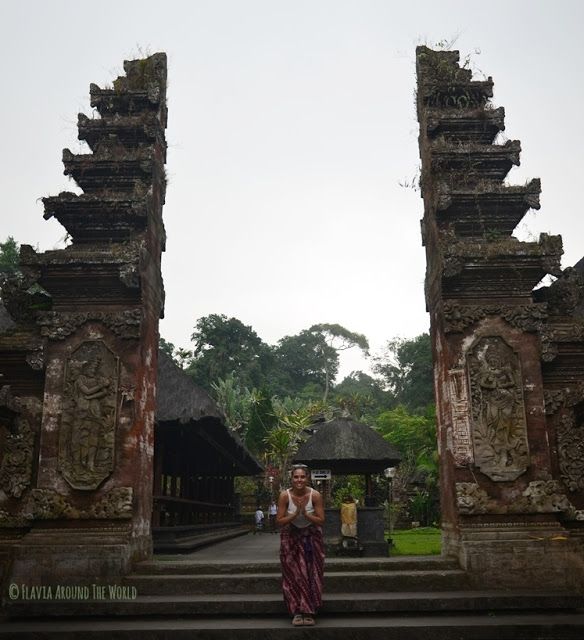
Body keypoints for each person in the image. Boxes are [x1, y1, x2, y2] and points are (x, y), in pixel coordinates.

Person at [276, 464, 325, 627]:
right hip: (290, 538)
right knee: (293, 574)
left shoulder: (315, 495)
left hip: (311, 538)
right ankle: (296, 610)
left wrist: (306, 515)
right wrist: (295, 514)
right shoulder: (285, 496)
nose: (299, 480)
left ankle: (309, 610)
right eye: (296, 477)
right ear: (291, 479)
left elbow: (321, 520)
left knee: (310, 573)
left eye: (302, 477)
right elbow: (279, 521)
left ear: (307, 478)